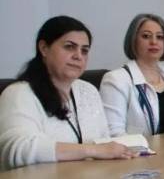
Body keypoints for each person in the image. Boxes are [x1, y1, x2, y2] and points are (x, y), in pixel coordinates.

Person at [0, 16, 136, 170]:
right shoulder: (19, 93)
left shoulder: (89, 91)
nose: (78, 56)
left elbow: (104, 142)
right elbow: (17, 150)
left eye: (84, 50)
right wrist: (92, 150)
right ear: (44, 48)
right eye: (69, 47)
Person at [100, 14, 164, 136]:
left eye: (159, 37)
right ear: (134, 40)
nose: (154, 42)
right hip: (139, 149)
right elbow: (114, 133)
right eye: (146, 36)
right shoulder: (116, 80)